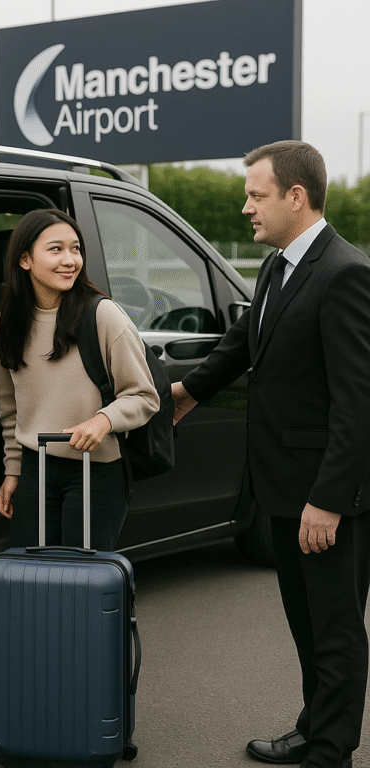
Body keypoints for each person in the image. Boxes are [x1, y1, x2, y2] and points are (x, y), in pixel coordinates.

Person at [172, 141, 370, 768]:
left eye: (256, 195)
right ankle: (314, 726)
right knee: (306, 624)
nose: (245, 207)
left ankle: (331, 750)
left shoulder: (345, 272)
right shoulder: (277, 266)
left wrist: (329, 501)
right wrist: (185, 391)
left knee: (335, 630)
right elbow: (243, 342)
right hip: (280, 486)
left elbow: (357, 405)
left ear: (295, 196)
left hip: (323, 496)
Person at [0, 208, 160, 735]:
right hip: (37, 472)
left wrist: (104, 419)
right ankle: (10, 694)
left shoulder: (102, 315)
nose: (70, 259)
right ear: (23, 260)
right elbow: (10, 409)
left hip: (97, 474)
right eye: (55, 249)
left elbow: (144, 396)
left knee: (81, 594)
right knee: (24, 591)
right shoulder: (7, 324)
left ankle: (86, 698)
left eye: (75, 248)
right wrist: (12, 470)